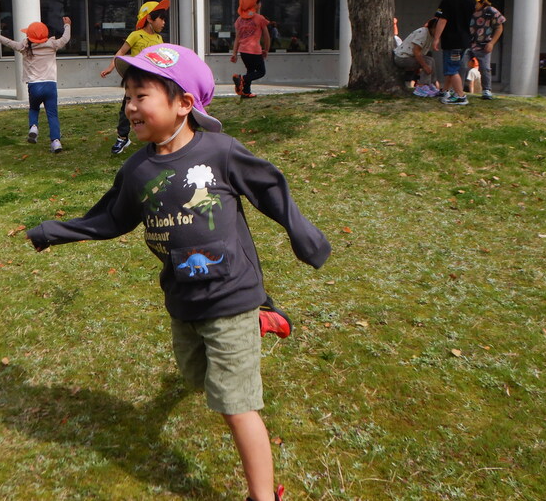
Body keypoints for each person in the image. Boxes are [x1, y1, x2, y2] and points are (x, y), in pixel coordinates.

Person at [27, 43, 329, 501]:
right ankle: (262, 321)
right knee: (196, 379)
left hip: (232, 294)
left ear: (184, 103)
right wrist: (54, 231)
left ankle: (263, 495)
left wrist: (303, 235)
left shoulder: (221, 153)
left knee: (234, 404)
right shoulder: (137, 170)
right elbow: (109, 219)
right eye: (126, 96)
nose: (130, 106)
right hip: (182, 299)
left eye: (141, 95)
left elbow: (270, 187)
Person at [0, 17, 72, 153]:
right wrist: (67, 25)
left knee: (34, 109)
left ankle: (34, 127)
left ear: (29, 35)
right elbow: (65, 38)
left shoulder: (24, 47)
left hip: (34, 86)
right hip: (50, 85)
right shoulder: (53, 45)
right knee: (52, 115)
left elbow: (7, 41)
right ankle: (56, 142)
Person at [100, 0, 169, 154]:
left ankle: (156, 136)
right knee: (127, 109)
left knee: (152, 109)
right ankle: (122, 138)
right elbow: (121, 52)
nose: (164, 22)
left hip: (152, 83)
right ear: (150, 19)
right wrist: (111, 67)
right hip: (134, 82)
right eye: (161, 19)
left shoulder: (159, 39)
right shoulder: (136, 35)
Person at [432, 0, 476, 106]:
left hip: (451, 41)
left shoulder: (447, 1)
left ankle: (460, 96)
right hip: (465, 41)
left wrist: (436, 38)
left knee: (451, 69)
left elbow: (440, 20)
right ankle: (446, 90)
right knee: (454, 67)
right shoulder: (471, 1)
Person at [464, 0, 506, 100]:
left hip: (484, 44)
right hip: (468, 43)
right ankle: (457, 89)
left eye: (475, 3)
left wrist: (492, 43)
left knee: (485, 68)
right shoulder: (468, 11)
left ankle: (486, 90)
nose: (473, 6)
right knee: (461, 65)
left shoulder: (490, 11)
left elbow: (499, 27)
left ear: (482, 0)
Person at [230, 0, 270, 98]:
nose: (260, 4)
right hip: (255, 50)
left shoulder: (239, 20)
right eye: (259, 2)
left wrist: (234, 54)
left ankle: (246, 92)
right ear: (255, 5)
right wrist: (266, 49)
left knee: (250, 70)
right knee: (261, 72)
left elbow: (237, 38)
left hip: (243, 51)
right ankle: (241, 79)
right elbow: (267, 37)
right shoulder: (260, 18)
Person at [393, 17, 439, 88]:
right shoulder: (423, 33)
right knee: (427, 62)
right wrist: (424, 66)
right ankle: (423, 86)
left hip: (410, 57)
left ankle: (432, 84)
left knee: (431, 60)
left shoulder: (431, 35)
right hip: (402, 58)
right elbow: (416, 51)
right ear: (433, 28)